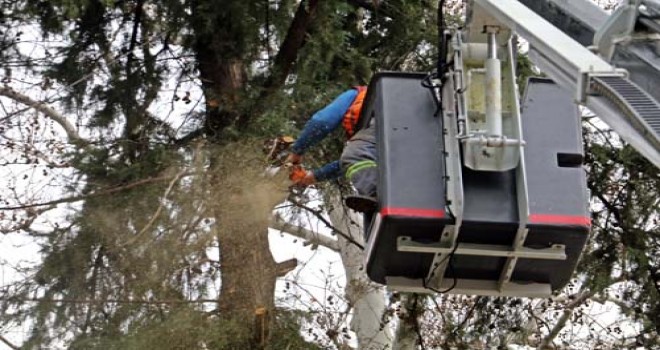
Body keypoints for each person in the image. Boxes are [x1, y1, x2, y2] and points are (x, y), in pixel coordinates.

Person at [286, 86, 378, 213]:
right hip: (407, 140)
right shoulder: (369, 145)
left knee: (354, 155)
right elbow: (350, 163)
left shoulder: (358, 94)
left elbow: (323, 122)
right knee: (356, 158)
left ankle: (378, 196)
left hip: (390, 122)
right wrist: (314, 176)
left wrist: (297, 151)